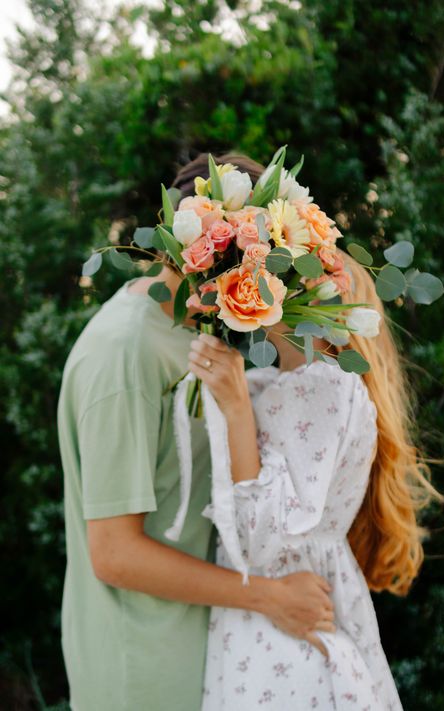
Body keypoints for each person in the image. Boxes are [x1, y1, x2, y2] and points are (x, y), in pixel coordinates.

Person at [56, 153, 336, 711]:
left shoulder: (195, 330)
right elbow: (113, 553)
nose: (273, 275)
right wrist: (272, 597)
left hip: (197, 655)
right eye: (269, 257)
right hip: (141, 674)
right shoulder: (126, 353)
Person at [186, 222, 444, 705]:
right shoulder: (280, 383)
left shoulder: (322, 386)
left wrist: (238, 409)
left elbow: (261, 544)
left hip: (287, 646)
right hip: (272, 629)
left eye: (292, 272)